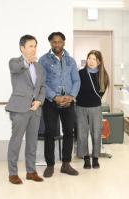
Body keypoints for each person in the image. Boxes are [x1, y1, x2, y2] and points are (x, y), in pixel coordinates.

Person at [39, 32, 81, 177]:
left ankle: (66, 164)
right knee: (50, 132)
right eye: (54, 42)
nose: (57, 45)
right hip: (51, 102)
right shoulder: (43, 60)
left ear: (64, 42)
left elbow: (76, 80)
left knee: (69, 131)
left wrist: (71, 96)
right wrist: (54, 97)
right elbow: (42, 82)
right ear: (50, 43)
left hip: (68, 102)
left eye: (60, 42)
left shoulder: (70, 60)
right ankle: (50, 165)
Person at [5, 35, 45, 184]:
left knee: (32, 142)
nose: (34, 48)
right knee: (16, 141)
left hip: (35, 110)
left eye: (35, 46)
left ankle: (31, 171)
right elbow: (16, 68)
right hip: (19, 109)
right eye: (30, 46)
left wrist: (39, 101)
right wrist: (28, 61)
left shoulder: (39, 66)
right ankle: (12, 173)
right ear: (22, 48)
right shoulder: (15, 62)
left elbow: (42, 87)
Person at [76, 50, 110, 169]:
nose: (91, 61)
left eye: (94, 59)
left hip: (95, 107)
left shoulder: (103, 75)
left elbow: (101, 93)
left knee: (96, 133)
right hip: (80, 107)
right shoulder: (80, 73)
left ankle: (95, 158)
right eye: (89, 58)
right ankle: (85, 158)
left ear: (99, 62)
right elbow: (76, 89)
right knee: (82, 134)